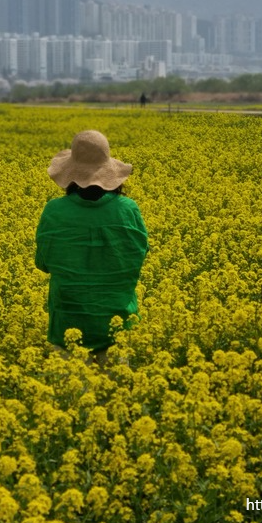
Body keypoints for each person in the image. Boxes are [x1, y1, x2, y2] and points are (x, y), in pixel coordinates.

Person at [35, 130, 149, 366]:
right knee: (116, 398)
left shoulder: (54, 211)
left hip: (68, 323)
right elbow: (138, 257)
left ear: (71, 175)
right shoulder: (129, 210)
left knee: (70, 399)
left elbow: (43, 263)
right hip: (117, 324)